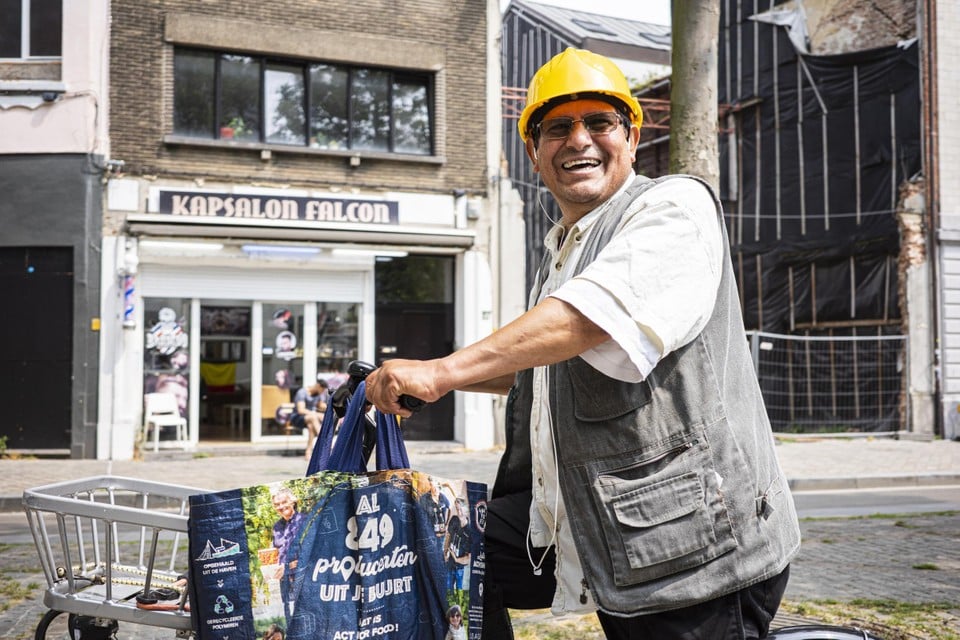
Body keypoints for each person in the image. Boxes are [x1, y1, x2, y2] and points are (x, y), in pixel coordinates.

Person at [364, 47, 801, 640]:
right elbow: (544, 366)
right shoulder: (564, 250)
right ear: (534, 152)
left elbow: (591, 320)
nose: (579, 140)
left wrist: (441, 370)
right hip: (581, 511)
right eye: (558, 128)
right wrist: (436, 382)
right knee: (439, 549)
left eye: (599, 122)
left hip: (688, 540)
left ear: (632, 137)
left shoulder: (673, 208)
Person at [271, 487, 305, 620]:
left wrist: (288, 566)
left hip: (302, 577)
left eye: (284, 502)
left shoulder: (304, 520)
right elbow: (277, 552)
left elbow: (310, 552)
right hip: (284, 580)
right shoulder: (277, 526)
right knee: (288, 614)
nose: (281, 506)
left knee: (303, 612)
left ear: (293, 502)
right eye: (277, 504)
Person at [290, 379, 329, 460]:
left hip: (310, 419)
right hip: (297, 417)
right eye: (322, 390)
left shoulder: (317, 394)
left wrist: (329, 406)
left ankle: (308, 453)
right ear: (318, 386)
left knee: (311, 425)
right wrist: (313, 413)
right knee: (313, 417)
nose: (322, 393)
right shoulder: (302, 392)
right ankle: (323, 438)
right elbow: (301, 410)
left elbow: (320, 405)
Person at [442, 498, 471, 593]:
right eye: (457, 509)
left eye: (461, 509)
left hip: (459, 568)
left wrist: (456, 559)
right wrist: (445, 552)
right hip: (449, 564)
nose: (459, 513)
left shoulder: (470, 531)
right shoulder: (454, 520)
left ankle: (460, 607)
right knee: (447, 589)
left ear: (466, 511)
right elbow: (448, 536)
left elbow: (468, 558)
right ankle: (449, 607)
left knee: (459, 592)